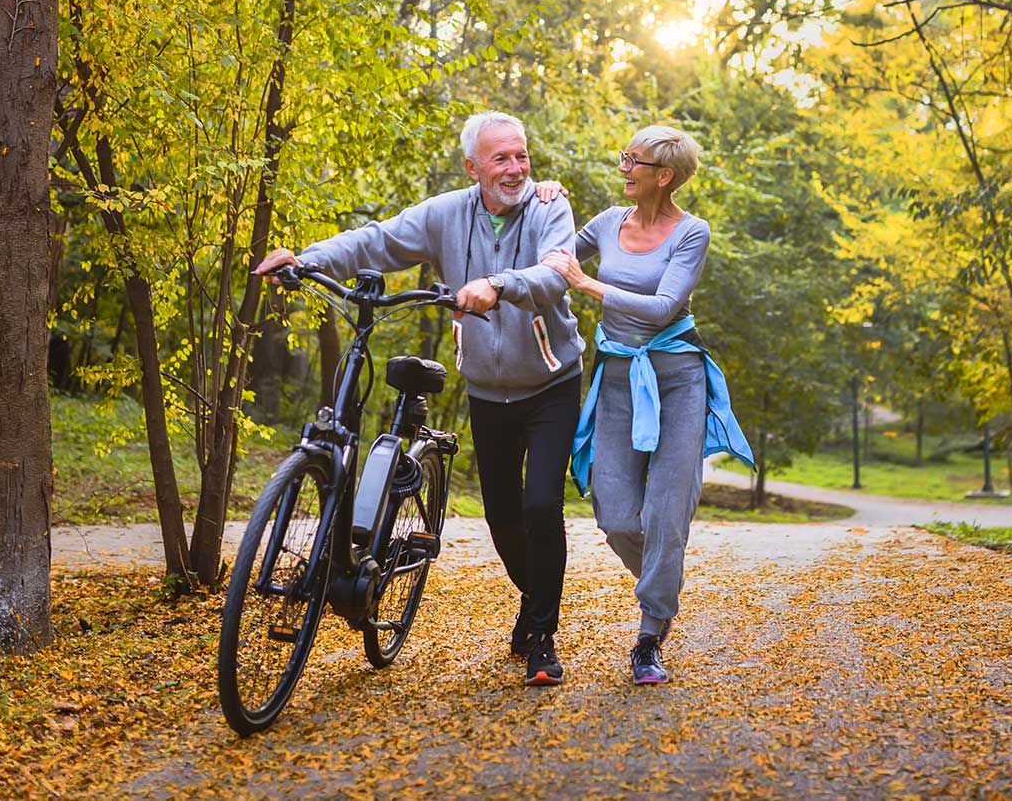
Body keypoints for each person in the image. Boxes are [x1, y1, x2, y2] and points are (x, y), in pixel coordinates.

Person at [254, 111, 581, 687]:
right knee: (502, 517)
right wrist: (306, 260)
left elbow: (556, 272)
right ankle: (537, 601)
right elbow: (378, 240)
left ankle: (542, 635)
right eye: (500, 158)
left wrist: (499, 284)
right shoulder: (447, 213)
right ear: (473, 166)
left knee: (538, 505)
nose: (515, 168)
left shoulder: (550, 207)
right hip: (487, 388)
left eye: (521, 155)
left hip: (551, 382)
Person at [542, 124, 754, 685]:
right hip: (618, 378)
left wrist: (586, 286)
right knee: (614, 514)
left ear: (664, 175)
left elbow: (662, 307)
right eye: (623, 156)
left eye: (633, 160)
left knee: (666, 513)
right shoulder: (609, 222)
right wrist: (542, 196)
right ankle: (663, 586)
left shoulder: (693, 232)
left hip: (678, 379)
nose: (623, 168)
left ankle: (649, 635)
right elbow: (554, 252)